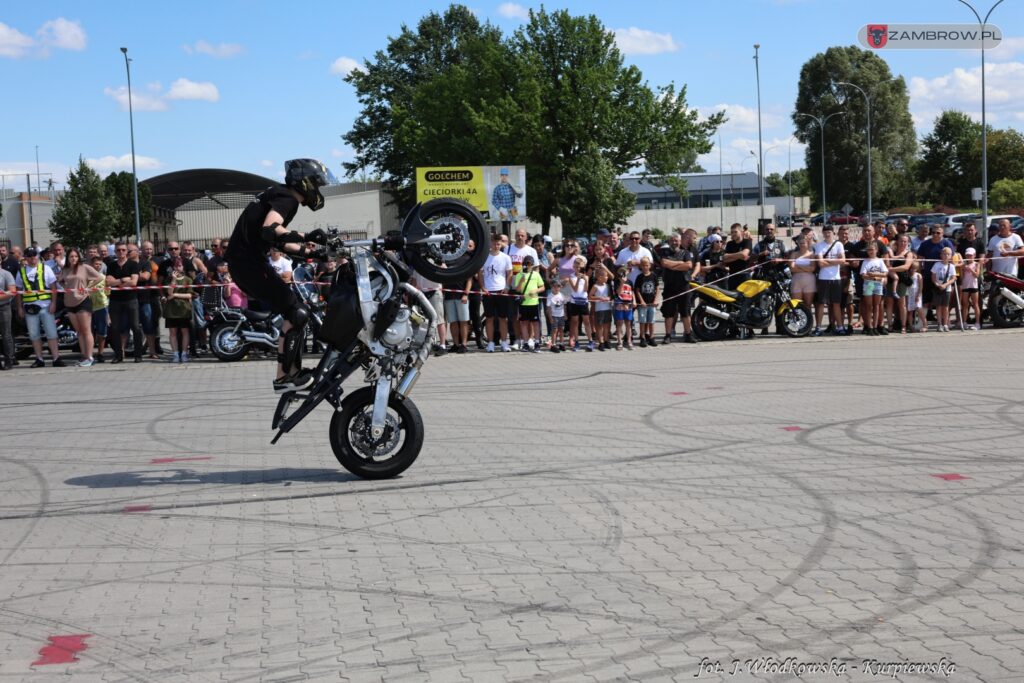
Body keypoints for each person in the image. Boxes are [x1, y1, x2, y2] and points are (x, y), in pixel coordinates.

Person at [225, 158, 330, 393]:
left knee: (295, 312)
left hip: (245, 263)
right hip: (248, 264)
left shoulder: (277, 194)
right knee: (297, 312)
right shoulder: (288, 198)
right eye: (317, 184)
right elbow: (270, 229)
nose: (318, 190)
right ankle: (285, 377)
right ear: (305, 182)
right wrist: (305, 236)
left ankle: (291, 373)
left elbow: (276, 240)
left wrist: (312, 251)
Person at [15, 247, 64, 367]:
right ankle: (39, 359)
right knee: (34, 334)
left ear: (38, 256)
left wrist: (53, 303)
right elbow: (18, 291)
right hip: (29, 308)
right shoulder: (21, 271)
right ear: (25, 257)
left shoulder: (46, 268)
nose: (32, 258)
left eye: (34, 255)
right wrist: (19, 308)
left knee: (51, 333)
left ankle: (56, 358)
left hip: (45, 306)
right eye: (30, 256)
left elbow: (53, 288)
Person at [57, 248, 103, 366]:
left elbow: (99, 277)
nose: (73, 259)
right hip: (69, 302)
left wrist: (89, 286)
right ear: (67, 258)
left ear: (79, 257)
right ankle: (84, 356)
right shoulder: (65, 269)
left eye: (75, 256)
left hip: (83, 301)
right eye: (71, 256)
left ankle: (90, 356)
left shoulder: (85, 267)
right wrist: (64, 286)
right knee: (79, 331)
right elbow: (60, 281)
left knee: (86, 330)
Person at [106, 242, 144, 364]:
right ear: (115, 252)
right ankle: (118, 355)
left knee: (136, 327)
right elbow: (108, 282)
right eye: (118, 250)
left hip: (130, 299)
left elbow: (134, 283)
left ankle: (138, 355)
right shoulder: (111, 265)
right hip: (115, 300)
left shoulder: (133, 264)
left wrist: (116, 282)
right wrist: (123, 279)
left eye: (123, 250)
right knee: (115, 328)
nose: (121, 252)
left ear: (127, 251)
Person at [478, 234, 513, 353]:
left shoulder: (506, 258)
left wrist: (507, 287)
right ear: (490, 243)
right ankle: (491, 343)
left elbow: (510, 273)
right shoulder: (484, 257)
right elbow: (480, 273)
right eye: (494, 244)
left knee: (503, 318)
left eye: (498, 244)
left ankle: (504, 342)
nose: (496, 246)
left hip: (501, 290)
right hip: (488, 291)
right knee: (489, 318)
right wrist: (483, 287)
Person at [812, 226, 847, 336]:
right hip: (823, 278)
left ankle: (840, 327)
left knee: (836, 304)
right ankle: (818, 327)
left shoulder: (839, 244)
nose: (827, 234)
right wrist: (834, 261)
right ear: (823, 234)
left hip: (836, 279)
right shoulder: (819, 246)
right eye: (825, 232)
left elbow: (843, 260)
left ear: (833, 233)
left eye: (829, 232)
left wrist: (827, 260)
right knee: (821, 304)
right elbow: (820, 263)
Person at [163, 259, 193, 362]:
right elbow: (169, 293)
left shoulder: (188, 280)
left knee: (185, 331)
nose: (178, 268)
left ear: (183, 267)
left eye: (180, 266)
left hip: (184, 309)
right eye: (176, 266)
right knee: (173, 332)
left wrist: (176, 295)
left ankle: (184, 353)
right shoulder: (169, 279)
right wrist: (173, 280)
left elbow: (189, 295)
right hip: (171, 310)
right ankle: (175, 354)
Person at [513, 255, 545, 352]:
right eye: (526, 264)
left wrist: (535, 290)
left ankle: (537, 342)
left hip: (534, 303)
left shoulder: (536, 274)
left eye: (530, 264)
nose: (528, 266)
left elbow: (542, 287)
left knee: (535, 323)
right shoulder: (519, 275)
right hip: (523, 304)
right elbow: (517, 290)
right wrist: (521, 282)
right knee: (523, 323)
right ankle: (525, 343)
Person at [411, 269, 446, 355]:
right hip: (422, 293)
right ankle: (427, 343)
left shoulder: (434, 262)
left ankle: (442, 345)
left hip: (435, 292)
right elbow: (414, 280)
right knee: (422, 320)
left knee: (439, 319)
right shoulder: (418, 264)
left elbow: (444, 270)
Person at [887, 234, 915, 334]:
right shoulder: (892, 252)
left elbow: (906, 267)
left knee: (902, 304)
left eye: (905, 241)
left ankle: (903, 326)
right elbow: (887, 262)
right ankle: (890, 325)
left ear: (908, 243)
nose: (903, 243)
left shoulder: (908, 254)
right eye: (901, 241)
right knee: (889, 303)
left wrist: (890, 269)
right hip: (891, 279)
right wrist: (889, 269)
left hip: (902, 280)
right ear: (897, 241)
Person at [858, 242, 888, 336]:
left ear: (876, 250)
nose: (870, 251)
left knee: (877, 306)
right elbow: (863, 275)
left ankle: (875, 326)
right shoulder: (865, 261)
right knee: (868, 306)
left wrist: (874, 276)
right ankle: (869, 327)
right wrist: (874, 277)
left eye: (872, 249)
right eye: (868, 250)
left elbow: (885, 273)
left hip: (878, 284)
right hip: (869, 284)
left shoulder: (880, 261)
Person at [89, 254, 110, 362]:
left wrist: (108, 312)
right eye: (96, 264)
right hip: (89, 308)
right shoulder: (87, 278)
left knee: (102, 332)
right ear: (91, 265)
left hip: (102, 307)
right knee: (90, 332)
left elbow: (107, 293)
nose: (98, 266)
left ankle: (100, 353)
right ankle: (89, 353)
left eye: (100, 264)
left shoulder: (103, 277)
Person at [443, 274, 473, 354]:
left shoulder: (464, 261)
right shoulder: (446, 262)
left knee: (463, 321)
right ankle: (455, 344)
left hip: (462, 296)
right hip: (449, 297)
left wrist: (466, 294)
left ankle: (464, 344)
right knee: (453, 322)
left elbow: (469, 279)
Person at [633, 256, 659, 347]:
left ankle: (652, 337)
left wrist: (656, 299)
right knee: (642, 321)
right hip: (642, 304)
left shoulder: (653, 275)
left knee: (651, 321)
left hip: (652, 303)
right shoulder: (639, 277)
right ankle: (643, 337)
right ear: (641, 266)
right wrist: (641, 301)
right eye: (643, 265)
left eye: (647, 265)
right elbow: (637, 290)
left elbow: (657, 288)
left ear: (650, 265)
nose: (645, 267)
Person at [931, 247, 957, 332]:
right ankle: (939, 324)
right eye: (944, 254)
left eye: (948, 254)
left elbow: (953, 278)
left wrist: (945, 285)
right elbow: (933, 276)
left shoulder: (952, 266)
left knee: (945, 307)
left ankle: (945, 323)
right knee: (938, 306)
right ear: (941, 255)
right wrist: (937, 284)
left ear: (950, 256)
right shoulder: (936, 265)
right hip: (938, 288)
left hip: (947, 289)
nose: (946, 256)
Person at [567, 257, 591, 352]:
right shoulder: (571, 277)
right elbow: (575, 289)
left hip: (583, 301)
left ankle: (590, 341)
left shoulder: (586, 276)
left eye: (579, 267)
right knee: (575, 322)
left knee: (586, 321)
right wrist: (577, 279)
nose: (577, 269)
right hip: (574, 302)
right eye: (576, 267)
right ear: (573, 267)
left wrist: (584, 280)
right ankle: (576, 341)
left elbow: (585, 289)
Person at [789, 235, 817, 310]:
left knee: (808, 304)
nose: (802, 245)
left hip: (809, 282)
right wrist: (806, 269)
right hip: (796, 281)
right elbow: (792, 268)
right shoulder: (794, 254)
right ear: (798, 244)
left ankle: (809, 320)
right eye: (800, 243)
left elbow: (812, 268)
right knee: (796, 304)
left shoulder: (811, 254)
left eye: (803, 243)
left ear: (807, 243)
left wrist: (798, 266)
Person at [491, 168, 521, 234]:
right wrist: (500, 208)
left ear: (508, 177)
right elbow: (494, 200)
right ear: (500, 177)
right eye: (502, 175)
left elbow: (520, 195)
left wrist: (514, 186)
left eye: (506, 175)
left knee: (515, 227)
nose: (504, 177)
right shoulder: (497, 188)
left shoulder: (512, 186)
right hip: (502, 210)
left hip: (513, 209)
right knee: (503, 227)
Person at [723, 223, 752, 290]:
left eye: (735, 232)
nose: (733, 234)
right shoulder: (729, 244)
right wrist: (739, 256)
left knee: (745, 298)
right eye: (732, 232)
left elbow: (744, 254)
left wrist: (730, 256)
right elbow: (725, 259)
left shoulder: (747, 242)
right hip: (732, 276)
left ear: (741, 232)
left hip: (744, 275)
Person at [589, 267, 612, 352]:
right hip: (599, 309)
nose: (607, 278)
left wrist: (609, 298)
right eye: (605, 276)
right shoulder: (595, 286)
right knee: (600, 326)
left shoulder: (607, 286)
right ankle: (601, 342)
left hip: (607, 308)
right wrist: (599, 298)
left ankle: (606, 340)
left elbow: (610, 296)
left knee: (607, 325)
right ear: (599, 277)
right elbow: (590, 296)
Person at [960, 247, 982, 331]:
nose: (969, 257)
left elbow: (976, 275)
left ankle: (977, 323)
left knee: (975, 304)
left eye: (970, 255)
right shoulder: (964, 265)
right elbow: (962, 278)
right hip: (965, 286)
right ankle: (964, 322)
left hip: (974, 286)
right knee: (965, 305)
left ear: (974, 255)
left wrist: (970, 270)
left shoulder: (977, 264)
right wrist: (962, 270)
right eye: (967, 255)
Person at [0, 263, 15, 369]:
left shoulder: (6, 274)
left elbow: (12, 291)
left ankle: (9, 360)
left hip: (4, 307)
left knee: (6, 335)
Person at [547, 280, 567, 352]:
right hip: (554, 315)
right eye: (555, 286)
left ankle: (561, 343)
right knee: (554, 330)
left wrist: (565, 314)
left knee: (561, 329)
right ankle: (553, 344)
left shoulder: (562, 295)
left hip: (561, 315)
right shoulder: (550, 296)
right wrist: (550, 317)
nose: (556, 288)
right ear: (552, 287)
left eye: (558, 286)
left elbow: (564, 305)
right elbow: (548, 308)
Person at [906, 261, 925, 333]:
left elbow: (921, 286)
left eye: (914, 268)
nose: (912, 270)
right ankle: (911, 326)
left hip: (916, 294)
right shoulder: (907, 275)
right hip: (909, 294)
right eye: (911, 268)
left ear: (917, 269)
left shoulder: (918, 275)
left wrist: (918, 295)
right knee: (910, 311)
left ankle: (925, 324)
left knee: (919, 309)